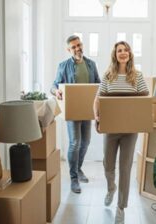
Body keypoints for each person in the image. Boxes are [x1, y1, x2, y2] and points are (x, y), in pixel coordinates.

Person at [93, 41, 149, 224]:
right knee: (108, 164)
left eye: (126, 50)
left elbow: (144, 101)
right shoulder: (108, 75)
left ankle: (121, 207)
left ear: (130, 54)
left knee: (125, 168)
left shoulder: (137, 76)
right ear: (115, 54)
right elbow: (98, 100)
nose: (123, 53)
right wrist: (97, 116)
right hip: (111, 128)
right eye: (119, 50)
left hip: (130, 130)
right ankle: (111, 188)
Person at [51, 35, 100, 193]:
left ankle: (78, 169)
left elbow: (98, 84)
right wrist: (56, 91)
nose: (78, 48)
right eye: (74, 47)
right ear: (69, 50)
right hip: (72, 110)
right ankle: (73, 178)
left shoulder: (91, 64)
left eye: (79, 45)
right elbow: (53, 85)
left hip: (88, 110)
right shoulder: (63, 65)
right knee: (75, 143)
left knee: (85, 142)